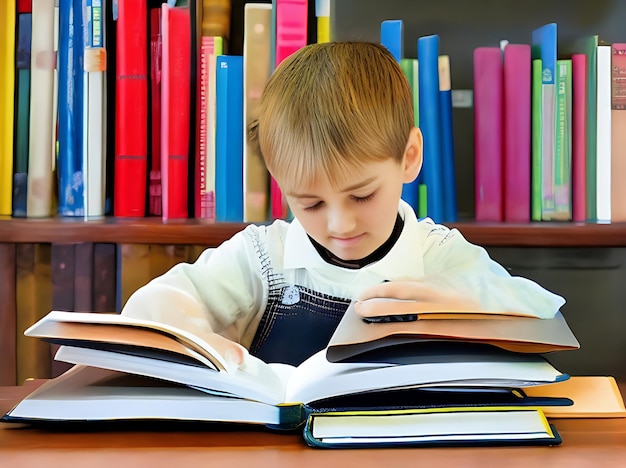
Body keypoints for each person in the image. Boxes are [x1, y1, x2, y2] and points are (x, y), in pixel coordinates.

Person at [121, 41, 564, 368]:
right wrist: (198, 340)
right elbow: (153, 309)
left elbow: (539, 314)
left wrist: (459, 301)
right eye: (309, 204)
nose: (340, 223)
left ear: (409, 157)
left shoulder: (439, 254)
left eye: (362, 195)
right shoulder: (262, 257)